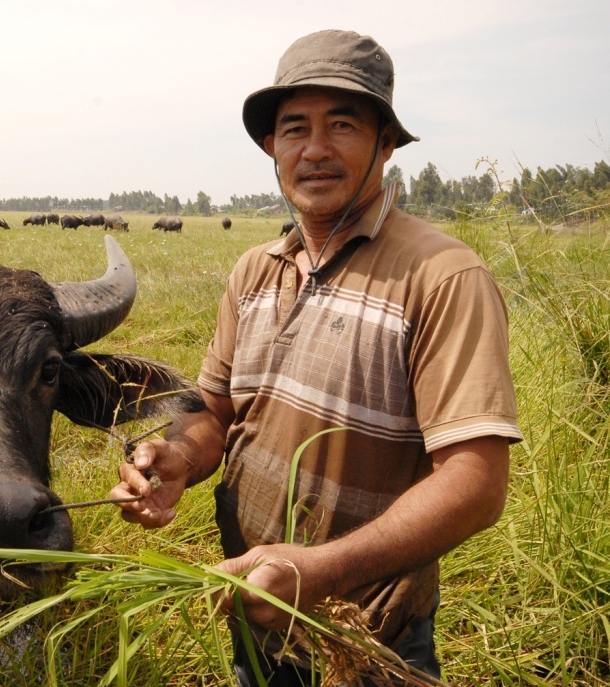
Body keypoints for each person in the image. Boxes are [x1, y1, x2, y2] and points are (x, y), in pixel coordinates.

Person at [110, 29, 522, 685]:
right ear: (271, 145)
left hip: (367, 640)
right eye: (295, 127)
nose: (316, 148)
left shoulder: (442, 276)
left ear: (386, 142)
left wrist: (321, 570)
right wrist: (177, 458)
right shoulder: (254, 271)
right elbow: (214, 411)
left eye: (343, 125)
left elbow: (476, 485)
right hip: (254, 613)